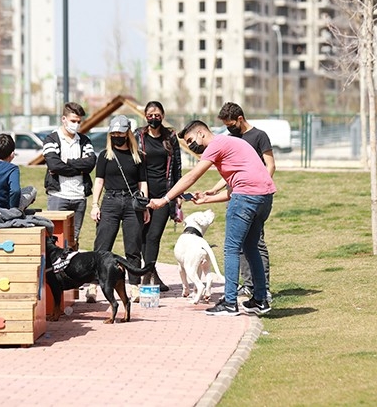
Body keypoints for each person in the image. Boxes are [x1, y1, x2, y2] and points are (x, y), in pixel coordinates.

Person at [148, 120, 276, 316]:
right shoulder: (233, 144)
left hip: (246, 198)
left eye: (191, 140)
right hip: (264, 198)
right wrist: (207, 199)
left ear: (201, 133)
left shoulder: (216, 145)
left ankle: (230, 303)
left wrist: (165, 200)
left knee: (231, 248)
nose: (191, 145)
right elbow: (237, 189)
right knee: (250, 247)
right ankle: (260, 299)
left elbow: (192, 177)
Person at [207, 102, 275, 300]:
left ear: (240, 119)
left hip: (253, 196)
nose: (229, 129)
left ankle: (264, 288)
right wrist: (215, 189)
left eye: (230, 124)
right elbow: (231, 171)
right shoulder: (231, 139)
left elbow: (269, 165)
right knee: (239, 245)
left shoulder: (259, 136)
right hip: (236, 197)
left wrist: (261, 188)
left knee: (256, 243)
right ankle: (248, 285)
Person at [88, 114, 150, 303]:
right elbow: (99, 181)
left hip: (132, 202)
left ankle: (134, 286)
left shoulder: (137, 156)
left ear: (127, 133)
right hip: (111, 201)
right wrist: (95, 204)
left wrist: (145, 205)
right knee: (102, 246)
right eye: (113, 133)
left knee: (133, 247)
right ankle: (93, 286)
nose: (116, 136)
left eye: (120, 133)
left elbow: (143, 182)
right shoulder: (105, 156)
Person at [134, 101, 182, 292]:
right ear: (145, 116)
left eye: (157, 114)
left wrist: (177, 194)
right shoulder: (139, 135)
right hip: (142, 193)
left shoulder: (170, 136)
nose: (154, 118)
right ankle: (152, 274)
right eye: (150, 114)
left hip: (164, 193)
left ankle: (147, 276)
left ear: (163, 115)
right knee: (143, 237)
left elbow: (177, 166)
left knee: (154, 236)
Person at [42, 102, 97, 250]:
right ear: (63, 119)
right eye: (73, 121)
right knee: (55, 239)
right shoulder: (51, 139)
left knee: (74, 239)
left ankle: (72, 272)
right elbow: (54, 165)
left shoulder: (84, 141)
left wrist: (66, 163)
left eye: (79, 122)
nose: (76, 125)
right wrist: (79, 169)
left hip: (79, 196)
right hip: (58, 196)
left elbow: (90, 164)